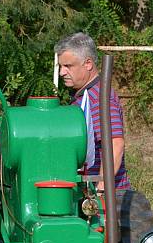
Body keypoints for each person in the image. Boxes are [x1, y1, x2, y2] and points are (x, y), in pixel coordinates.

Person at [54, 32, 131, 193]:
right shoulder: (82, 96)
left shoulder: (98, 98)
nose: (62, 72)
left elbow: (115, 144)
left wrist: (101, 189)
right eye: (60, 66)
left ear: (88, 64)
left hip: (108, 199)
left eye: (68, 66)